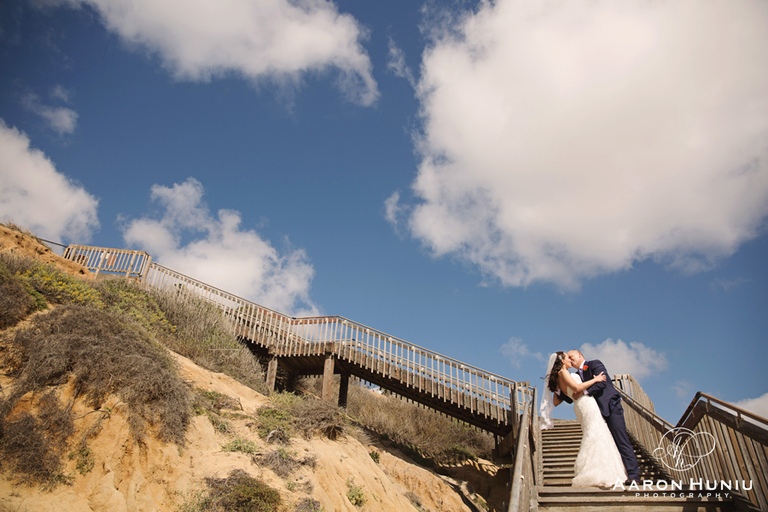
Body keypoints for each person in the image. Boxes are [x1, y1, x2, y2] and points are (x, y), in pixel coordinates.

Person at [540, 352, 628, 488]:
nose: (570, 360)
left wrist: (560, 390)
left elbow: (556, 402)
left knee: (595, 434)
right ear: (562, 361)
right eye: (567, 357)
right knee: (595, 433)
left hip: (580, 406)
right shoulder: (563, 373)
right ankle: (597, 471)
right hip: (585, 404)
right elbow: (576, 388)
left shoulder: (559, 377)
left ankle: (602, 468)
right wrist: (596, 379)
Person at [567, 350, 640, 485]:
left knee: (621, 440)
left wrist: (584, 391)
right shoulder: (575, 376)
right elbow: (571, 394)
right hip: (596, 413)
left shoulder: (595, 364)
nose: (570, 361)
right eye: (568, 359)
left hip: (610, 406)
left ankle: (634, 476)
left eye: (571, 357)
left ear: (579, 354)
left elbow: (602, 383)